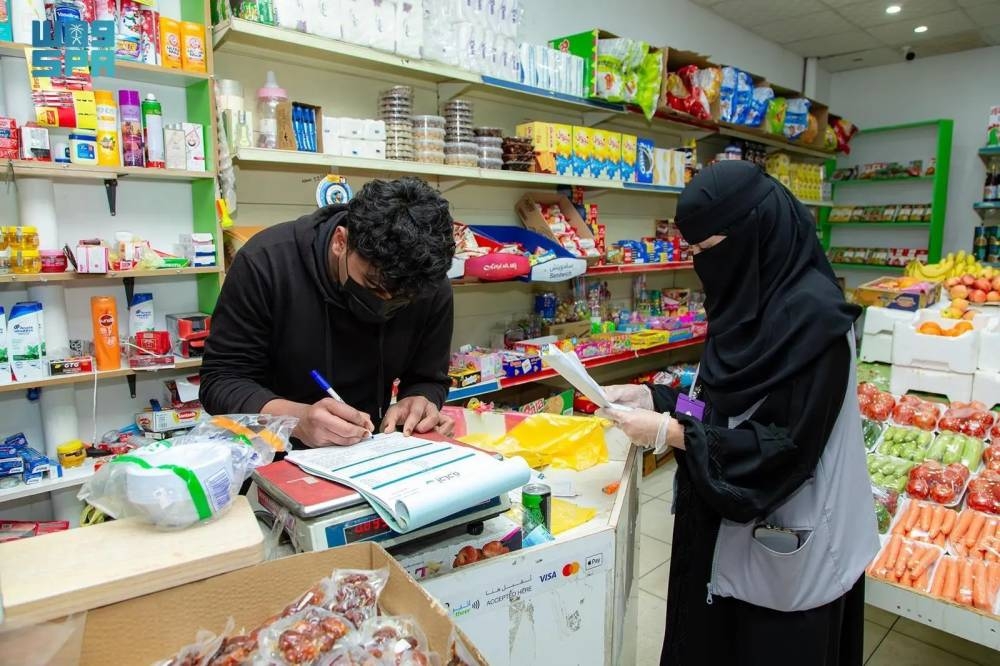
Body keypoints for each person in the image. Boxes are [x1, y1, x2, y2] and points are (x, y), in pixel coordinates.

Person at [599, 161, 878, 666]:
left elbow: (783, 447)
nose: (701, 264)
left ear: (755, 233)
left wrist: (672, 433)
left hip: (790, 552)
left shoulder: (816, 326)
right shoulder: (746, 299)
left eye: (707, 249)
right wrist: (659, 400)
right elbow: (718, 407)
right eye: (692, 252)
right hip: (723, 541)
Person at [199, 177, 457, 447]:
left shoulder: (427, 283)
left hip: (372, 448)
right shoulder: (266, 263)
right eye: (373, 286)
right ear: (340, 242)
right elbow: (221, 380)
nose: (386, 302)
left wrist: (420, 400)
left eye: (402, 299)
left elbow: (428, 378)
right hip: (271, 449)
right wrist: (296, 420)